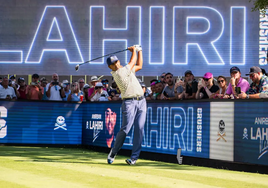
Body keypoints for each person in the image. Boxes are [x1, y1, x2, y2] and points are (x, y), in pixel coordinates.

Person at [106, 45, 146, 165]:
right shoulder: (118, 73)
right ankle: (113, 152)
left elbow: (139, 65)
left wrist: (140, 51)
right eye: (114, 63)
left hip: (142, 101)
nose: (117, 64)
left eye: (117, 61)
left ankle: (134, 158)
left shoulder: (127, 71)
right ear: (110, 66)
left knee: (139, 128)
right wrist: (134, 50)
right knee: (125, 129)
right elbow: (132, 61)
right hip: (129, 102)